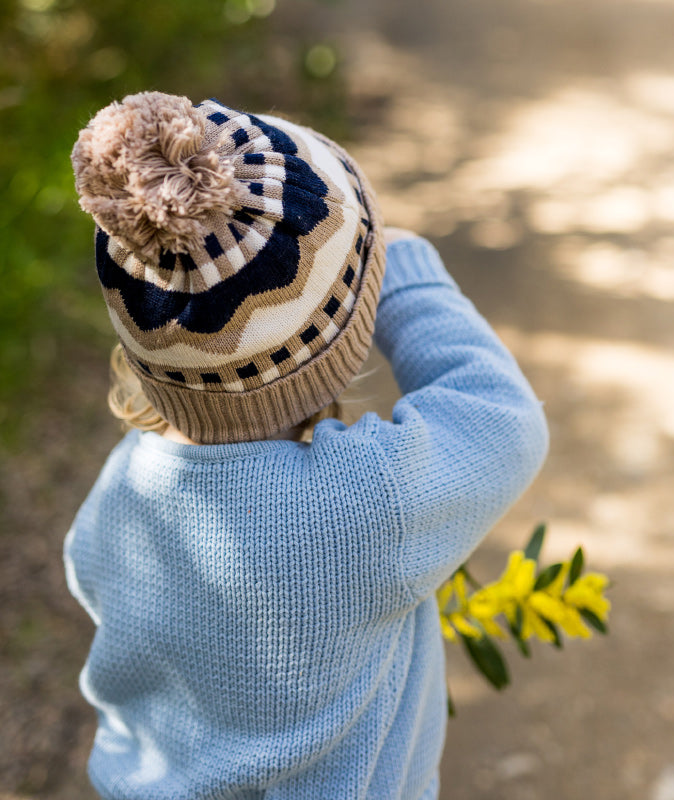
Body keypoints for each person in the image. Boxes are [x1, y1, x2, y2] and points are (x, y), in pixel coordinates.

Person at [64, 91, 549, 800]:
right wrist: (401, 266)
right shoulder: (361, 505)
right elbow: (502, 417)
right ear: (343, 338)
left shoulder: (121, 495)